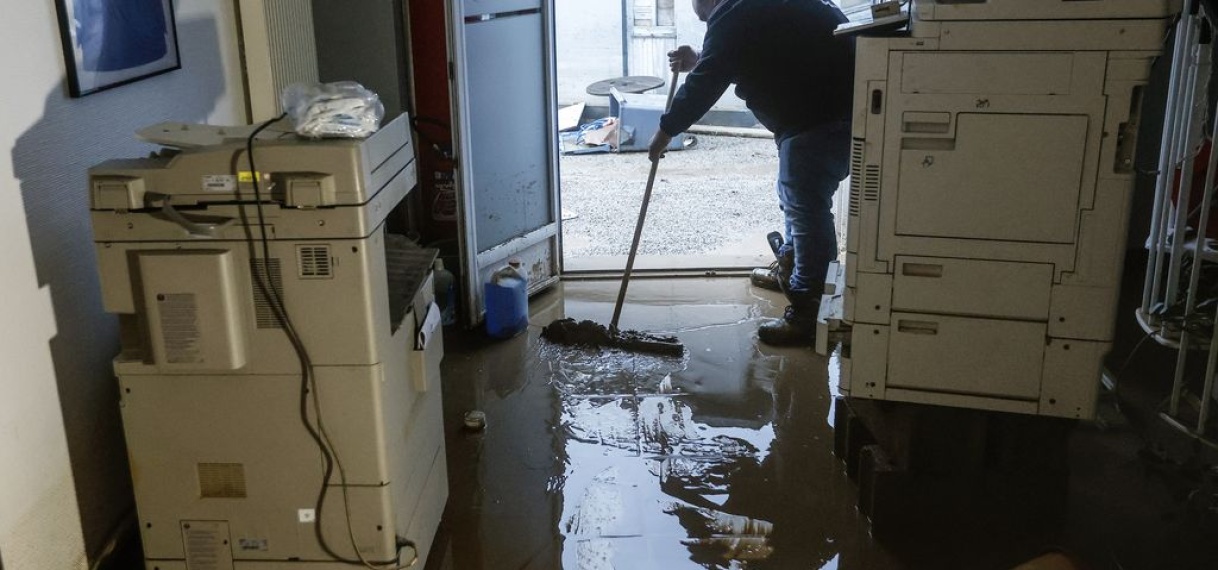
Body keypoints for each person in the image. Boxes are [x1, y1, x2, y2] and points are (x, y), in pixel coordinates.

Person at [648, 0, 854, 346]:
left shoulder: (734, 13)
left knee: (805, 207)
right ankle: (793, 269)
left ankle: (808, 311)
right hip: (829, 110)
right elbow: (749, 53)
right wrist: (700, 59)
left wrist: (664, 132)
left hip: (822, 118)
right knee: (795, 197)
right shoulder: (748, 8)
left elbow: (704, 86)